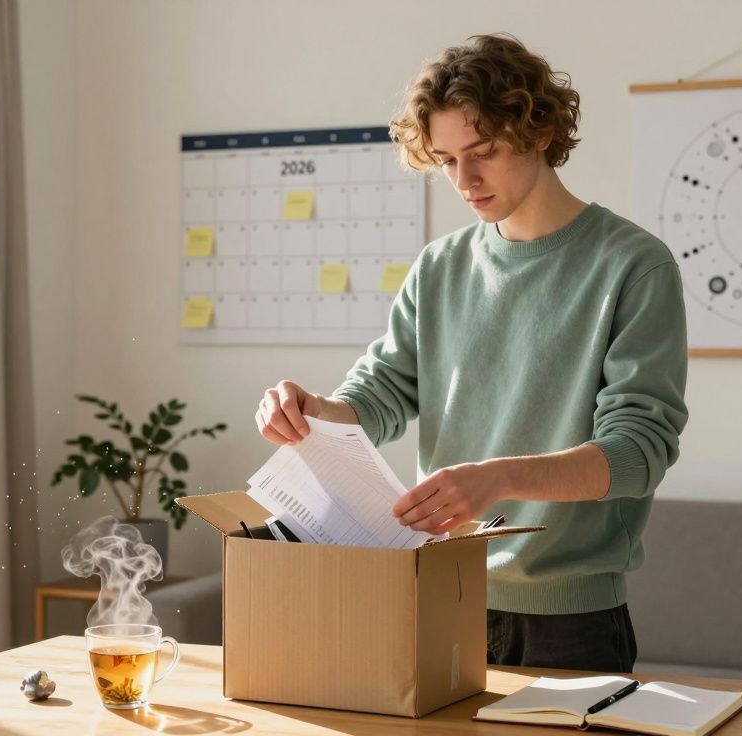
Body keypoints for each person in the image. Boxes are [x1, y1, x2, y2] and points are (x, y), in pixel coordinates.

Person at [254, 33, 688, 674]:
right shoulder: (440, 267)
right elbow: (382, 395)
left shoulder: (632, 265)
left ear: (539, 131)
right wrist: (311, 409)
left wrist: (499, 478)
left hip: (571, 621)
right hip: (441, 593)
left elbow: (639, 452)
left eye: (482, 152)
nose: (464, 180)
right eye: (447, 159)